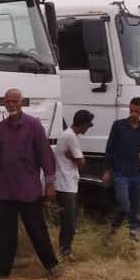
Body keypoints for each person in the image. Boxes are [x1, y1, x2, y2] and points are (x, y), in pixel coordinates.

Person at [0, 88, 61, 280]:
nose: (11, 104)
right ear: (4, 103)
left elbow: (45, 155)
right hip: (7, 189)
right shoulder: (1, 128)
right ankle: (2, 270)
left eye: (15, 101)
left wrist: (50, 182)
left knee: (37, 229)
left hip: (29, 189)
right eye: (8, 101)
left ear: (22, 102)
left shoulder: (34, 126)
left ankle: (52, 267)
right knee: (5, 233)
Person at [102, 97, 140, 243]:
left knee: (135, 207)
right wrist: (107, 170)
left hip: (135, 173)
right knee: (124, 204)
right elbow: (109, 149)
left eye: (136, 111)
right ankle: (121, 229)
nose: (133, 114)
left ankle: (132, 238)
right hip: (120, 172)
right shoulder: (118, 126)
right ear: (129, 108)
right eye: (131, 110)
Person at [52, 109, 92, 260]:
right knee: (69, 221)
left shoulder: (66, 134)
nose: (88, 128)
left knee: (68, 219)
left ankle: (65, 249)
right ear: (82, 124)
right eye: (88, 125)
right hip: (66, 183)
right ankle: (65, 251)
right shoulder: (71, 138)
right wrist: (77, 159)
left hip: (66, 182)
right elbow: (81, 163)